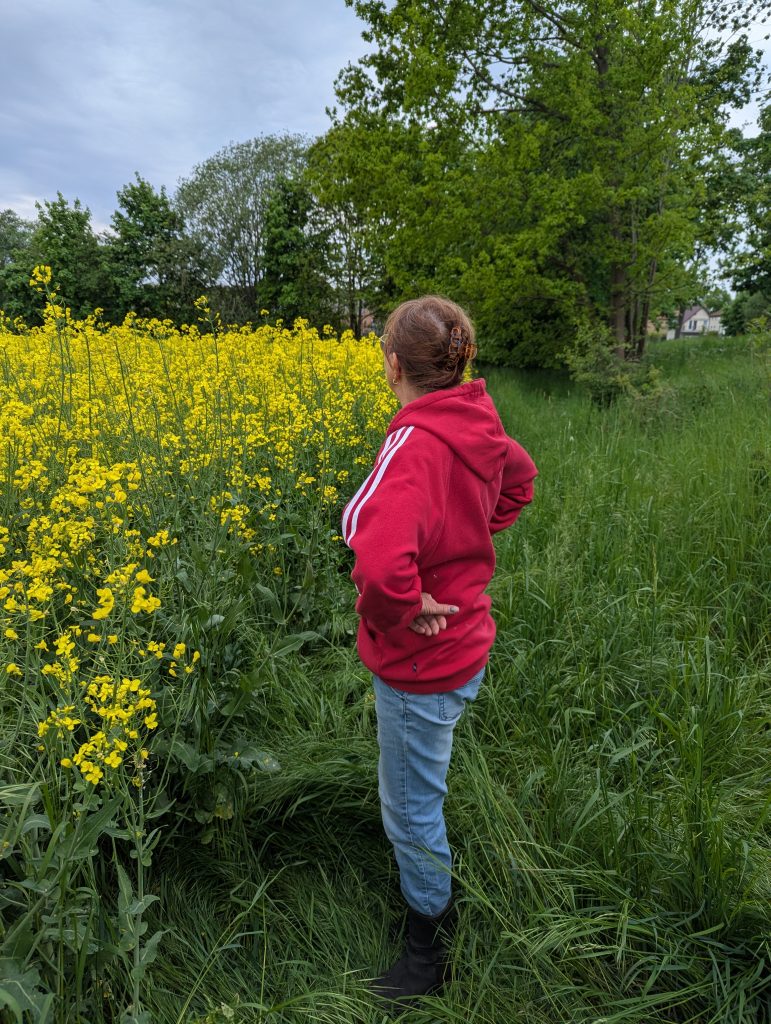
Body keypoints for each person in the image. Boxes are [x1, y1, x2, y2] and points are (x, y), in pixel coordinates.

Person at [341, 295, 537, 1012]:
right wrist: (469, 543)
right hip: (466, 645)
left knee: (411, 811)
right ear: (463, 360)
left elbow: (374, 557)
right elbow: (520, 480)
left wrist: (401, 606)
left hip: (419, 663)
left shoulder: (413, 443)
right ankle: (431, 902)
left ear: (392, 364)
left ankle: (429, 945)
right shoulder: (476, 422)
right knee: (425, 774)